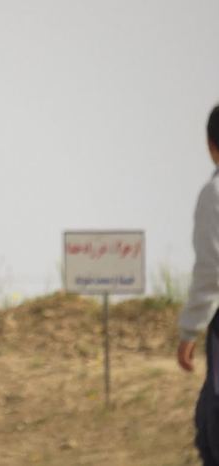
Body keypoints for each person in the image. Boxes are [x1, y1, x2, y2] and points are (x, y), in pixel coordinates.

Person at [178, 104, 219, 465]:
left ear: (211, 145)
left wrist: (189, 330)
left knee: (212, 430)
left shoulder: (214, 194)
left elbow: (211, 271)